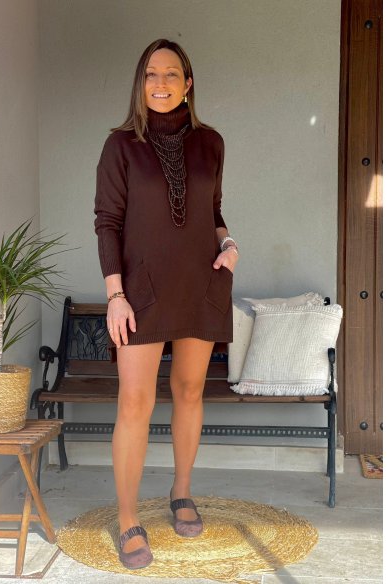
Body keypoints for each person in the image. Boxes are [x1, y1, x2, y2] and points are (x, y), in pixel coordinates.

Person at [94, 38, 239, 569]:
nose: (161, 83)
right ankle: (128, 517)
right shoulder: (120, 146)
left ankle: (181, 491)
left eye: (171, 73)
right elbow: (107, 222)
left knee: (190, 391)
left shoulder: (212, 142)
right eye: (151, 74)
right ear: (141, 83)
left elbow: (213, 210)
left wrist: (228, 242)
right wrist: (115, 295)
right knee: (134, 403)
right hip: (142, 291)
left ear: (188, 82)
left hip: (201, 284)